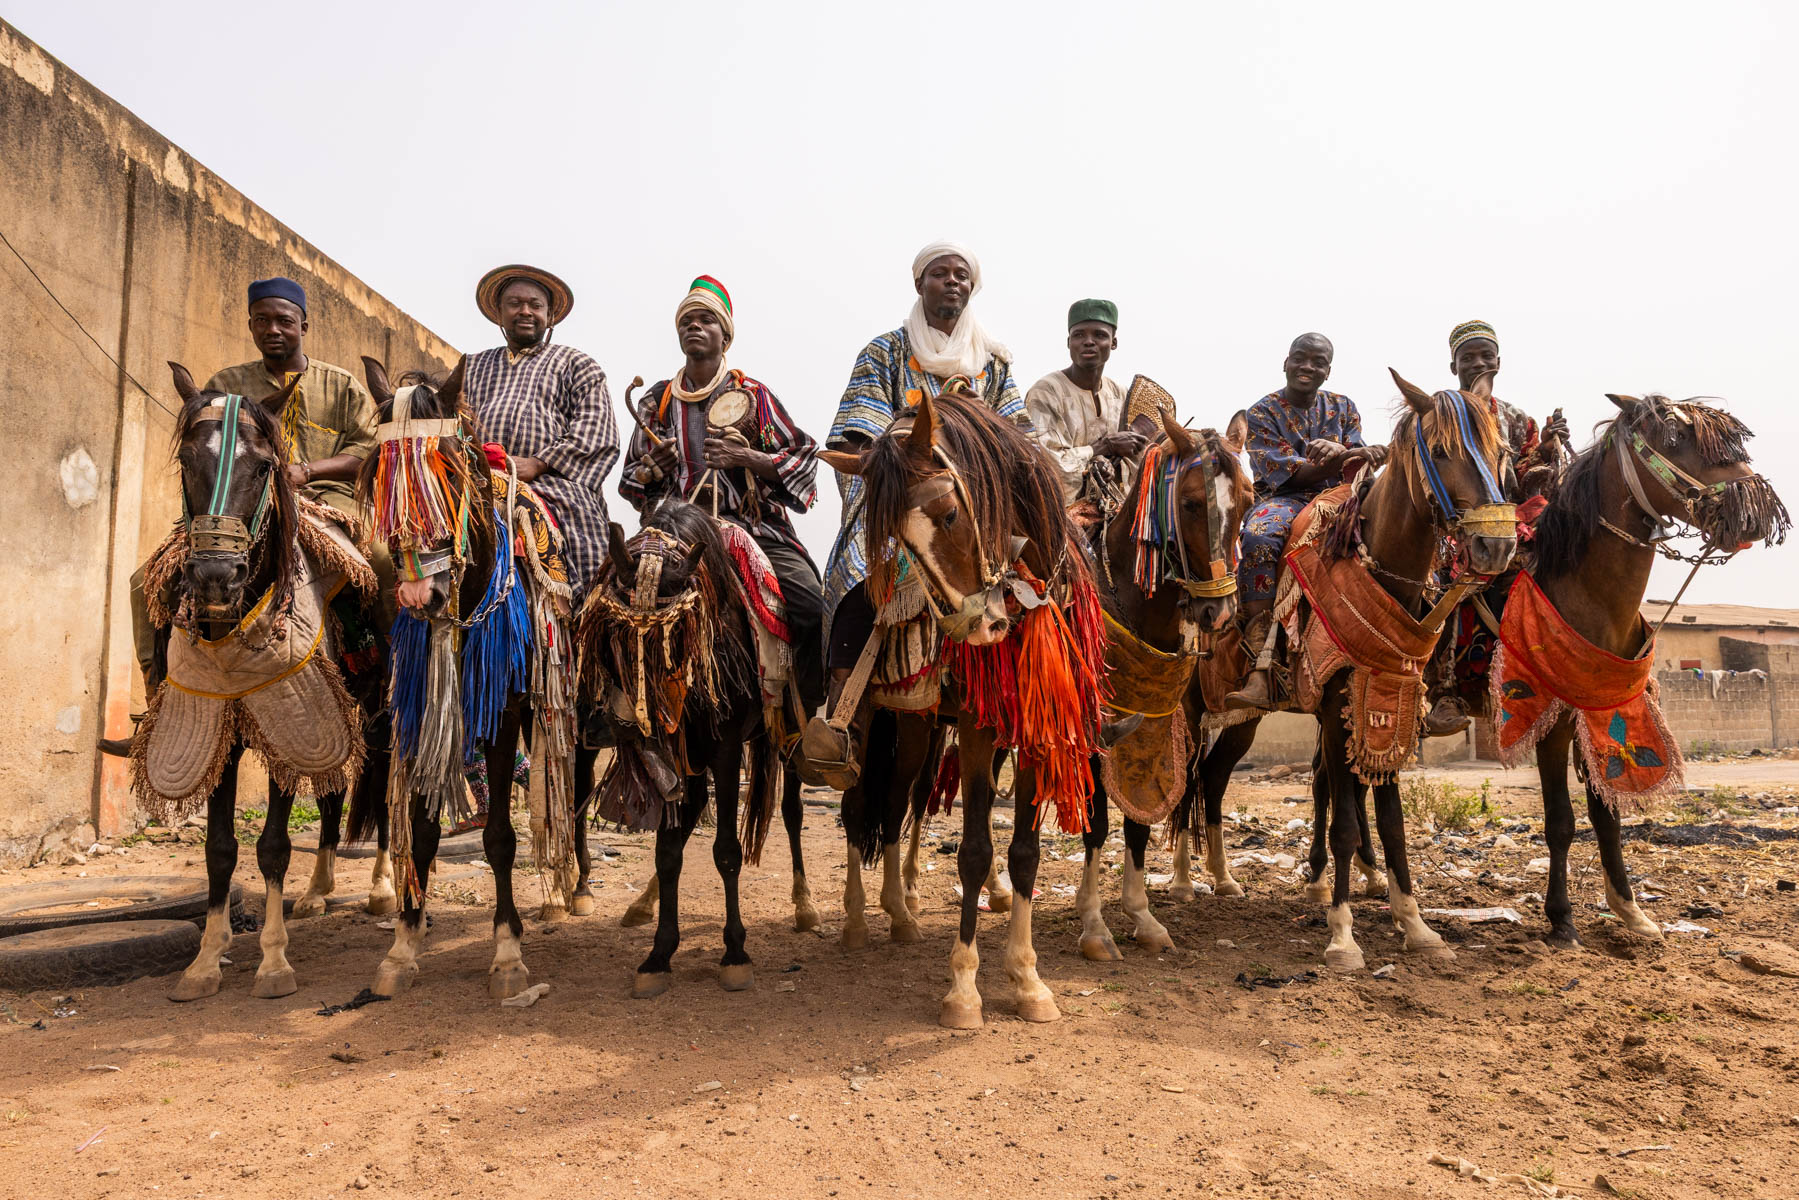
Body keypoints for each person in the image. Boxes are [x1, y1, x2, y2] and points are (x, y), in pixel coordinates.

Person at [102, 276, 386, 755]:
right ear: (251, 326)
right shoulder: (226, 385)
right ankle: (159, 705)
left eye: (284, 321)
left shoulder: (340, 385)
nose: (273, 329)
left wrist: (304, 471)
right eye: (262, 321)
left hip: (326, 498)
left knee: (379, 562)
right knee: (143, 581)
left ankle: (387, 693)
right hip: (237, 507)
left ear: (304, 326)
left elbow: (366, 449)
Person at [819, 241, 1028, 710]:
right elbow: (857, 439)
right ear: (919, 283)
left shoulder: (993, 362)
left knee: (1053, 577)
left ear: (971, 287)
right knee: (857, 573)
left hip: (980, 510)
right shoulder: (885, 351)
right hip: (906, 502)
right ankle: (840, 707)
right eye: (940, 273)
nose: (952, 280)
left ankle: (1060, 703)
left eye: (961, 274)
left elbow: (1020, 436)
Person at [619, 275, 826, 715]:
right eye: (686, 321)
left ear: (725, 335)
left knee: (810, 605)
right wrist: (654, 468)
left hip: (752, 530)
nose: (694, 327)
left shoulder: (753, 395)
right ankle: (620, 717)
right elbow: (632, 484)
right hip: (676, 534)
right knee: (611, 596)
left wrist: (746, 457)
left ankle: (807, 721)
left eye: (706, 320)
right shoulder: (656, 401)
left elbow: (804, 458)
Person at [1419, 320, 1572, 735]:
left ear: (1499, 362)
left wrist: (1545, 449)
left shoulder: (1517, 419)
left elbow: (1525, 479)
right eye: (1468, 357)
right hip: (1458, 519)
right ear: (1453, 366)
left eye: (1486, 356)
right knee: (1446, 581)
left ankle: (1555, 672)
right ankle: (1444, 690)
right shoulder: (1441, 412)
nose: (1479, 363)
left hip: (1508, 517)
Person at [1223, 333, 1386, 710]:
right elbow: (1292, 475)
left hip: (1342, 498)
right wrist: (1343, 454)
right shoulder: (1262, 412)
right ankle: (1260, 657)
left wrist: (1349, 452)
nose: (1308, 367)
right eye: (1301, 359)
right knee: (1258, 535)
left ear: (1328, 371)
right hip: (1285, 499)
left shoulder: (1344, 407)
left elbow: (1357, 465)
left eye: (1318, 362)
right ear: (1286, 362)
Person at [462, 264, 620, 602]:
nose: (525, 311)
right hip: (479, 479)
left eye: (535, 305)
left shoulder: (578, 364)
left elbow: (597, 432)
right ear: (499, 314)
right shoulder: (470, 366)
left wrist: (538, 463)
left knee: (586, 545)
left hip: (554, 484)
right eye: (514, 303)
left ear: (550, 317)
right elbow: (451, 423)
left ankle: (585, 622)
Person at [1024, 299, 1143, 505]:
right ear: (1069, 342)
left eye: (1099, 335)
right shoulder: (1046, 392)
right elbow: (1048, 466)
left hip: (1116, 509)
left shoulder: (1120, 394)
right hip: (1059, 514)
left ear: (1113, 343)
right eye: (1079, 335)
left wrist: (1112, 464)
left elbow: (1138, 463)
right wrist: (1105, 447)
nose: (1088, 341)